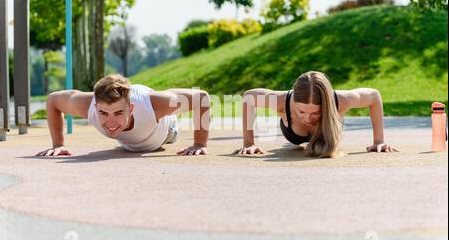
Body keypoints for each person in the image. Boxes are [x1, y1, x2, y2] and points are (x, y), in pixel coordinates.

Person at [36, 74, 210, 157]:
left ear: (131, 108)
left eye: (118, 113)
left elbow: (202, 98)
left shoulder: (153, 105)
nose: (110, 122)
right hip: (128, 142)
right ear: (96, 107)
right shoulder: (86, 105)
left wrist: (199, 143)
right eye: (103, 113)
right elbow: (53, 100)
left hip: (165, 132)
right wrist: (58, 144)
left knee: (167, 118)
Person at [234, 71, 399, 158]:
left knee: (322, 145)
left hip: (327, 131)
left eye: (316, 112)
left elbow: (374, 96)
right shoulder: (281, 101)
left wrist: (379, 141)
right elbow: (249, 97)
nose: (307, 118)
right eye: (301, 111)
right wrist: (249, 143)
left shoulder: (341, 100)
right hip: (292, 134)